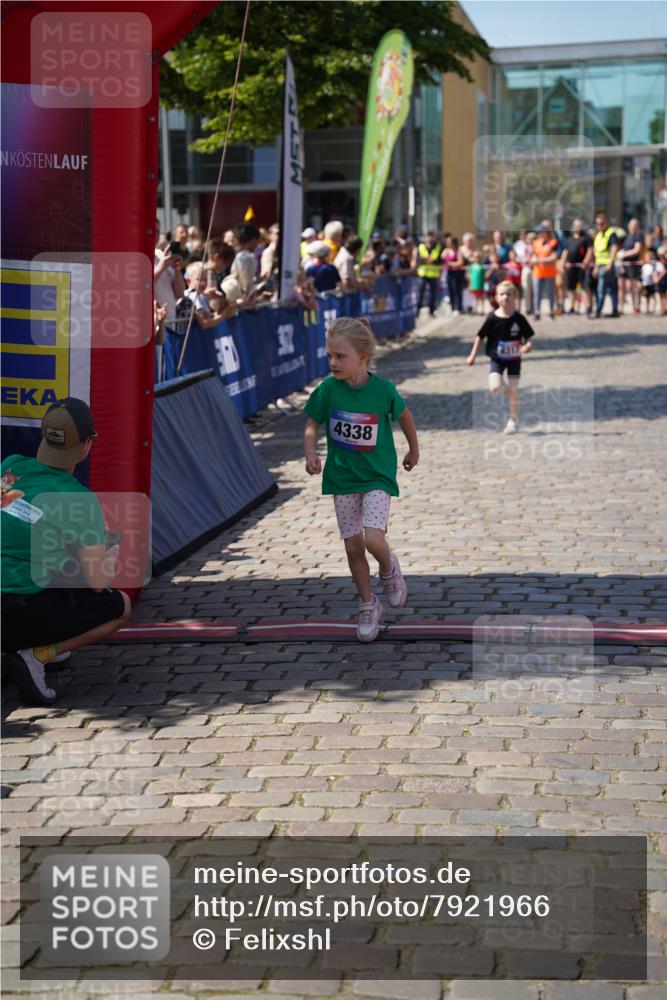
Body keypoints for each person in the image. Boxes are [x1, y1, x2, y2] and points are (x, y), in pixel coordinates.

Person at [1, 399, 132, 705]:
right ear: (87, 445)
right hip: (14, 609)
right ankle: (36, 655)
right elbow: (98, 582)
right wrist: (104, 549)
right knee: (119, 605)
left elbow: (21, 513)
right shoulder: (79, 500)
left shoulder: (10, 466)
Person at [303, 317, 419, 642]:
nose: (333, 362)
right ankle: (368, 604)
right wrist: (311, 453)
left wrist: (414, 450)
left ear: (363, 357)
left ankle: (389, 569)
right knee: (353, 547)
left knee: (373, 539)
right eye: (330, 356)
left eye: (340, 356)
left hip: (378, 476)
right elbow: (312, 424)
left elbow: (405, 417)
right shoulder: (328, 390)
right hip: (342, 479)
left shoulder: (382, 390)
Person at [466, 280, 534, 435]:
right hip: (497, 359)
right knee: (495, 388)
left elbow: (529, 337)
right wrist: (472, 355)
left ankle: (513, 421)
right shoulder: (492, 318)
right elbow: (480, 336)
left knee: (514, 390)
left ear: (514, 297)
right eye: (502, 294)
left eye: (509, 294)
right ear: (496, 297)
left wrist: (528, 346)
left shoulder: (518, 318)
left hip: (514, 359)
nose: (505, 297)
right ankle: (507, 390)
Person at [561, 218, 592, 315]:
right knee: (571, 288)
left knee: (582, 288)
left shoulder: (586, 238)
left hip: (581, 267)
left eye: (578, 225)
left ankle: (588, 307)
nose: (576, 227)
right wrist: (563, 261)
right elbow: (566, 251)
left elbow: (590, 250)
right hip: (571, 267)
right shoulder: (570, 238)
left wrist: (585, 262)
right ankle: (572, 308)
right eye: (575, 225)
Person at [591, 212, 620, 319]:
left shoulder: (611, 233)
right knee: (611, 288)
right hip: (600, 265)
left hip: (607, 265)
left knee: (601, 289)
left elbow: (614, 248)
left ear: (606, 223)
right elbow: (596, 253)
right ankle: (614, 310)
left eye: (601, 223)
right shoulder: (598, 236)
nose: (599, 226)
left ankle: (598, 312)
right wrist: (595, 267)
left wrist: (610, 263)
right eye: (597, 224)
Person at [530, 225, 558, 319]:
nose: (540, 234)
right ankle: (537, 312)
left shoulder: (553, 242)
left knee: (550, 293)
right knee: (537, 293)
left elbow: (554, 257)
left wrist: (540, 260)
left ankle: (551, 311)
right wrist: (535, 259)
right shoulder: (535, 242)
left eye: (542, 232)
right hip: (537, 272)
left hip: (549, 272)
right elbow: (533, 255)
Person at [616, 218, 643, 315]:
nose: (633, 226)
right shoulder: (626, 237)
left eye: (635, 225)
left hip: (633, 265)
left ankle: (635, 307)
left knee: (633, 287)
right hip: (624, 265)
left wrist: (625, 254)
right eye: (631, 224)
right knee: (622, 287)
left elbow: (637, 250)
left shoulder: (638, 236)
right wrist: (620, 257)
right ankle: (621, 308)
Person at [416, 231, 442, 316]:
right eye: (429, 237)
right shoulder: (421, 246)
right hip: (422, 274)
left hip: (433, 275)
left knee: (433, 294)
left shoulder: (438, 247)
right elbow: (418, 259)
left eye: (432, 237)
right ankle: (417, 311)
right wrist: (426, 260)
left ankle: (431, 311)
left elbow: (440, 260)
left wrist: (433, 261)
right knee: (420, 293)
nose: (430, 239)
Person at [442, 236, 465, 315]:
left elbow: (460, 262)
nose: (448, 244)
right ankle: (452, 307)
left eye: (450, 242)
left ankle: (458, 307)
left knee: (457, 290)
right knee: (450, 290)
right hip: (449, 273)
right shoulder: (446, 251)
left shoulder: (458, 251)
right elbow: (442, 258)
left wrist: (450, 264)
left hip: (457, 273)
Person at [467, 250, 486, 314]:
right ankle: (475, 309)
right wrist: (469, 285)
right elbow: (469, 276)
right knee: (475, 298)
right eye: (476, 257)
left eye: (478, 257)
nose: (477, 259)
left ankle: (482, 309)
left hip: (480, 285)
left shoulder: (482, 266)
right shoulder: (472, 267)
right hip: (474, 285)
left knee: (481, 297)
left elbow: (484, 276)